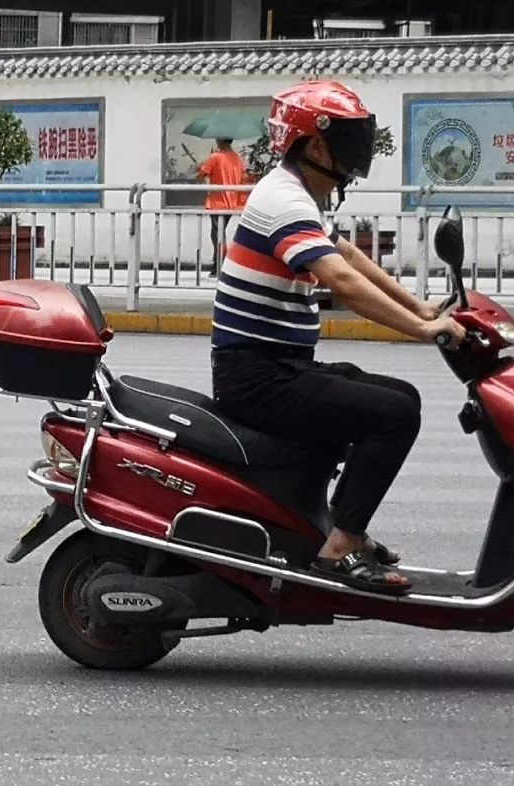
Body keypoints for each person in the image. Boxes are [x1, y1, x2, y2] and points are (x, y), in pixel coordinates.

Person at [210, 80, 466, 596]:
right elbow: (340, 280)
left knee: (399, 397)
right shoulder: (284, 199)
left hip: (277, 367)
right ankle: (341, 545)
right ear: (317, 144)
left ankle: (336, 527)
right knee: (392, 416)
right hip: (259, 377)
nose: (359, 150)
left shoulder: (297, 193)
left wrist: (419, 305)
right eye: (349, 139)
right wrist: (421, 329)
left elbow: (346, 256)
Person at [197, 138, 247, 277]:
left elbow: (200, 176)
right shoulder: (237, 158)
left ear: (220, 141)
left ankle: (220, 264)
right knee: (220, 233)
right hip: (231, 202)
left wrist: (202, 164)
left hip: (217, 202)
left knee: (217, 235)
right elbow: (241, 177)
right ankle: (219, 263)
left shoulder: (215, 157)